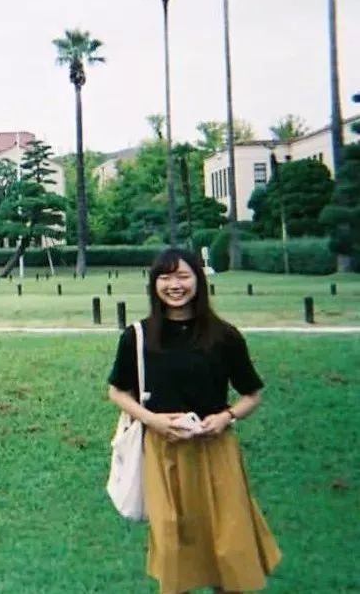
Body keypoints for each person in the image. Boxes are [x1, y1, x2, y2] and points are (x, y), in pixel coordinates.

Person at [107, 248, 281, 593]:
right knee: (174, 545)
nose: (175, 285)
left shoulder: (224, 335)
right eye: (165, 277)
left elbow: (252, 394)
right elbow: (117, 391)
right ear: (154, 284)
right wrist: (152, 421)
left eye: (183, 276)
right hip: (163, 452)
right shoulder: (138, 336)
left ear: (198, 281)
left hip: (216, 450)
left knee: (229, 541)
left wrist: (226, 417)